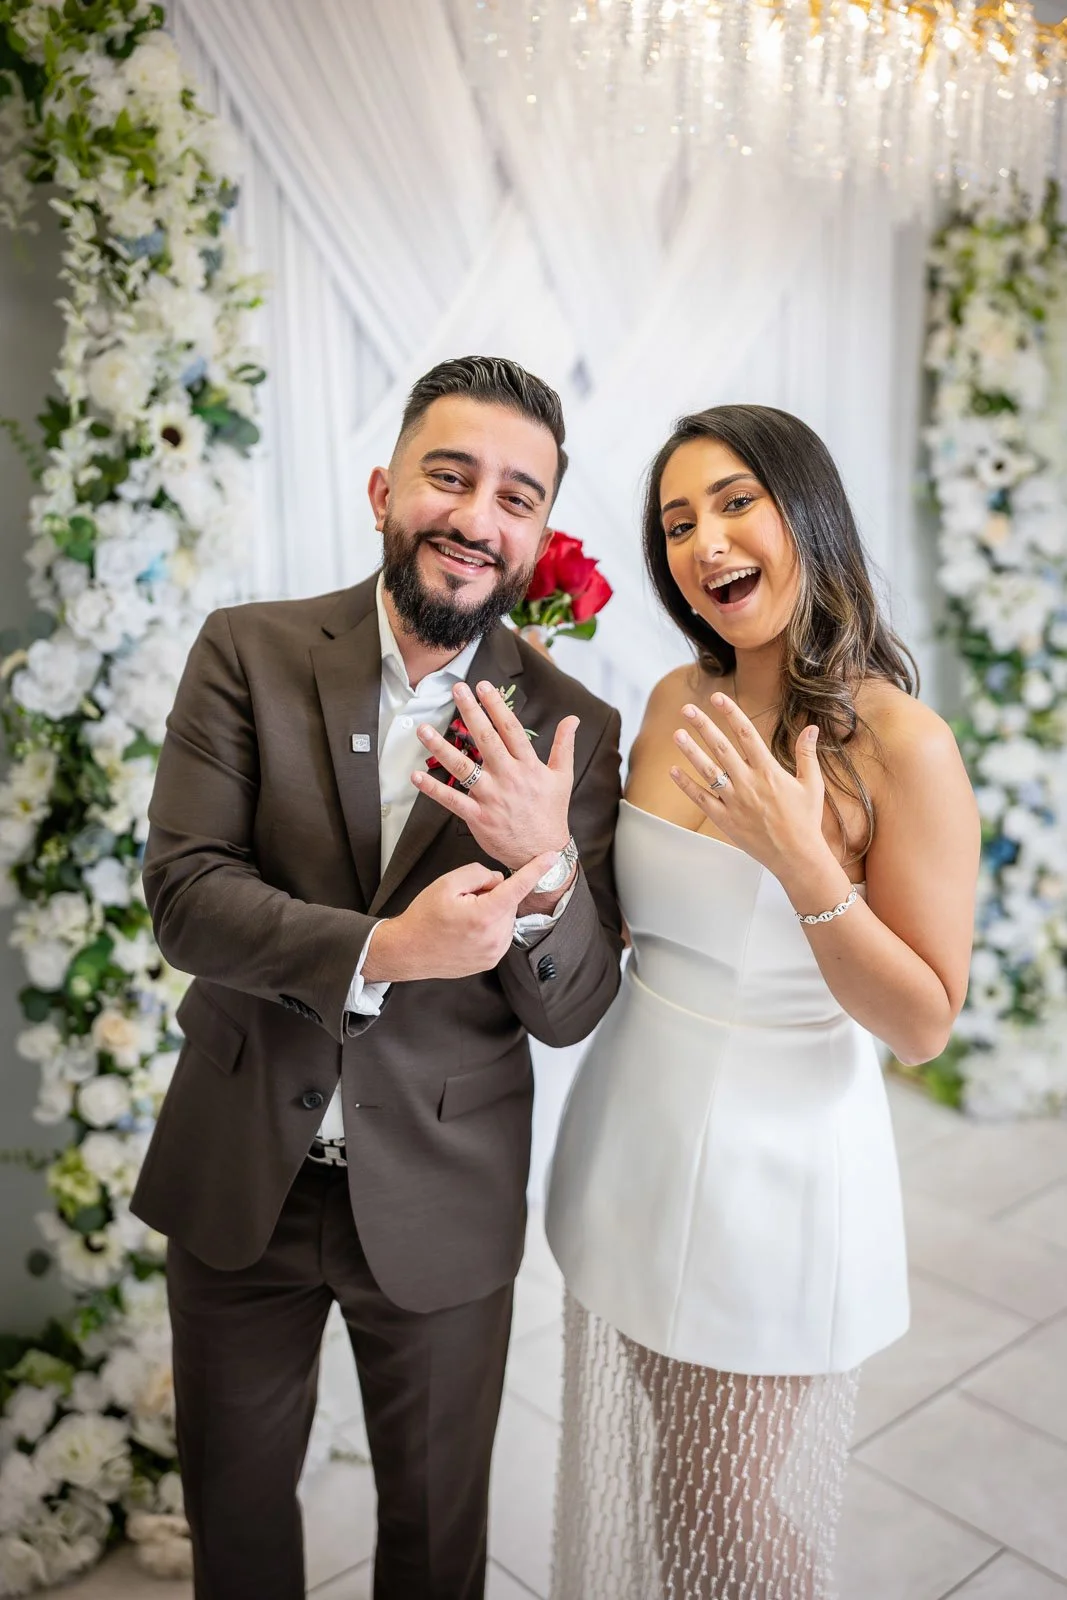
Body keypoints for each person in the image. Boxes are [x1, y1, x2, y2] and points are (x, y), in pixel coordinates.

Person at [131, 355, 625, 1600]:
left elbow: (571, 1009)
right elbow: (185, 895)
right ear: (382, 488)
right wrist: (383, 950)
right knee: (235, 1530)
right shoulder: (247, 650)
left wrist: (547, 868)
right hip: (242, 1160)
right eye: (447, 477)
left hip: (443, 1198)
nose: (475, 516)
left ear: (539, 535)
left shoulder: (575, 724)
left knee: (433, 1539)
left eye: (516, 496)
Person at [545, 404, 980, 1599]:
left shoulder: (904, 744)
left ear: (807, 513)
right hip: (630, 1131)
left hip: (771, 1173)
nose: (703, 539)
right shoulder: (674, 700)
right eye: (676, 520)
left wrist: (803, 867)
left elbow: (920, 1022)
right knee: (672, 1484)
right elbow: (640, 927)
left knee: (725, 1512)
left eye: (735, 500)